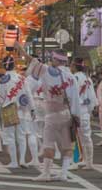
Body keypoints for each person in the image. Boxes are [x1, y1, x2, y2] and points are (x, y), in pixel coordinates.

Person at [17, 46, 80, 182]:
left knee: (48, 143)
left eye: (52, 59)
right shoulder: (71, 78)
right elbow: (75, 99)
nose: (51, 61)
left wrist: (19, 48)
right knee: (67, 145)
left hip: (52, 114)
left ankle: (46, 173)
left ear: (56, 60)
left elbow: (30, 60)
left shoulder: (47, 72)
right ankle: (63, 173)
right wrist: (76, 117)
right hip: (67, 114)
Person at [0, 55, 37, 169]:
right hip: (22, 110)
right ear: (15, 64)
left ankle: (14, 161)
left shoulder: (3, 80)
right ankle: (22, 160)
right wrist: (32, 109)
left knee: (10, 137)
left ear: (4, 65)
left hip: (8, 110)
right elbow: (29, 94)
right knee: (22, 136)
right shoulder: (22, 78)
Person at [71, 58, 97, 170]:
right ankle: (87, 161)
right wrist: (90, 110)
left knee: (77, 137)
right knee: (86, 137)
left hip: (77, 110)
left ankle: (81, 160)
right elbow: (92, 97)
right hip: (85, 109)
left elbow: (71, 95)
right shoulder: (88, 79)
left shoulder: (74, 78)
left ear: (74, 66)